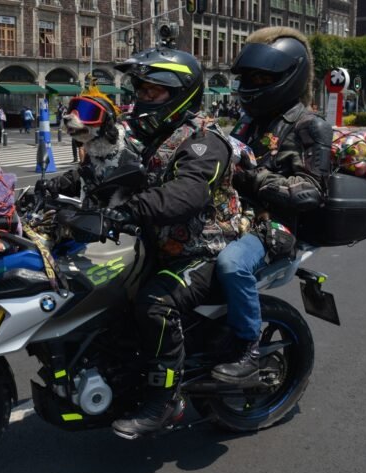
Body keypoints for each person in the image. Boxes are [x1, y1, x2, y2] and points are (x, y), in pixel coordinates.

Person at [101, 47, 241, 439]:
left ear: (181, 94)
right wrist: (50, 191)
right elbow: (105, 170)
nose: (143, 99)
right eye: (141, 90)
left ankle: (164, 402)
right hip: (156, 244)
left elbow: (188, 194)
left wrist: (129, 211)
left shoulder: (203, 141)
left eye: (153, 93)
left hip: (205, 248)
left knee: (155, 303)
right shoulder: (148, 135)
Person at [210, 27, 331, 387]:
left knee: (231, 265)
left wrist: (256, 179)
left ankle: (248, 350)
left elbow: (311, 192)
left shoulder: (310, 126)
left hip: (273, 227)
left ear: (288, 77)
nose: (253, 84)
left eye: (262, 77)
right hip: (229, 215)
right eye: (249, 76)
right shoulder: (249, 120)